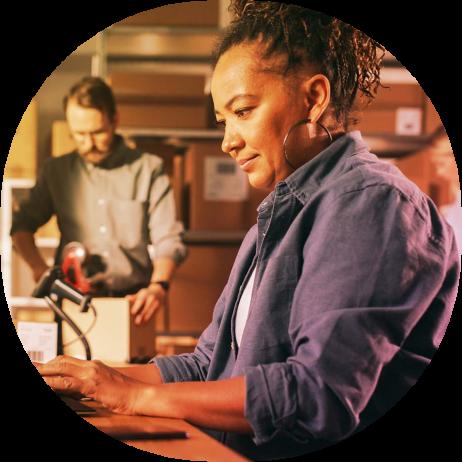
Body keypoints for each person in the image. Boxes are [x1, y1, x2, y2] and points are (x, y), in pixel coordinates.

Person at [35, 2, 459, 460]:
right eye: (223, 121)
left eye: (243, 111)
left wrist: (135, 397)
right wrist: (91, 377)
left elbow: (317, 395)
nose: (227, 140)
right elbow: (207, 366)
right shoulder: (279, 215)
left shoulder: (372, 203)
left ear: (314, 99)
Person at [11, 76, 187, 325]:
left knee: (125, 366)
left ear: (115, 120)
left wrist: (158, 286)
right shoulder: (56, 172)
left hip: (132, 304)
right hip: (72, 303)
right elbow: (21, 226)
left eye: (97, 133)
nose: (88, 143)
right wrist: (39, 269)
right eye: (79, 135)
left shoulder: (148, 169)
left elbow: (168, 237)